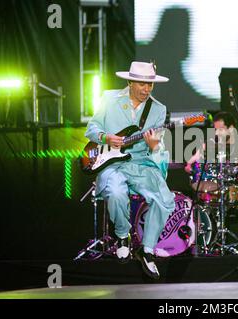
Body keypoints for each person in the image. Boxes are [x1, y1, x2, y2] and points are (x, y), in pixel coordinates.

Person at [85, 61, 175, 279]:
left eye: (150, 85)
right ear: (130, 81)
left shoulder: (158, 109)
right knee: (115, 191)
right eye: (142, 84)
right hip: (112, 162)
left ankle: (147, 250)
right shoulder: (109, 98)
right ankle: (122, 236)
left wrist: (155, 147)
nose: (146, 89)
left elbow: (158, 149)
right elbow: (92, 128)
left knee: (165, 200)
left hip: (141, 163)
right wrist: (106, 137)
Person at [184, 111, 238, 232]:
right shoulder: (210, 144)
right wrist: (189, 165)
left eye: (221, 129)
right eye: (215, 129)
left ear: (231, 128)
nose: (217, 133)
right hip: (213, 191)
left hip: (233, 191)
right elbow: (191, 161)